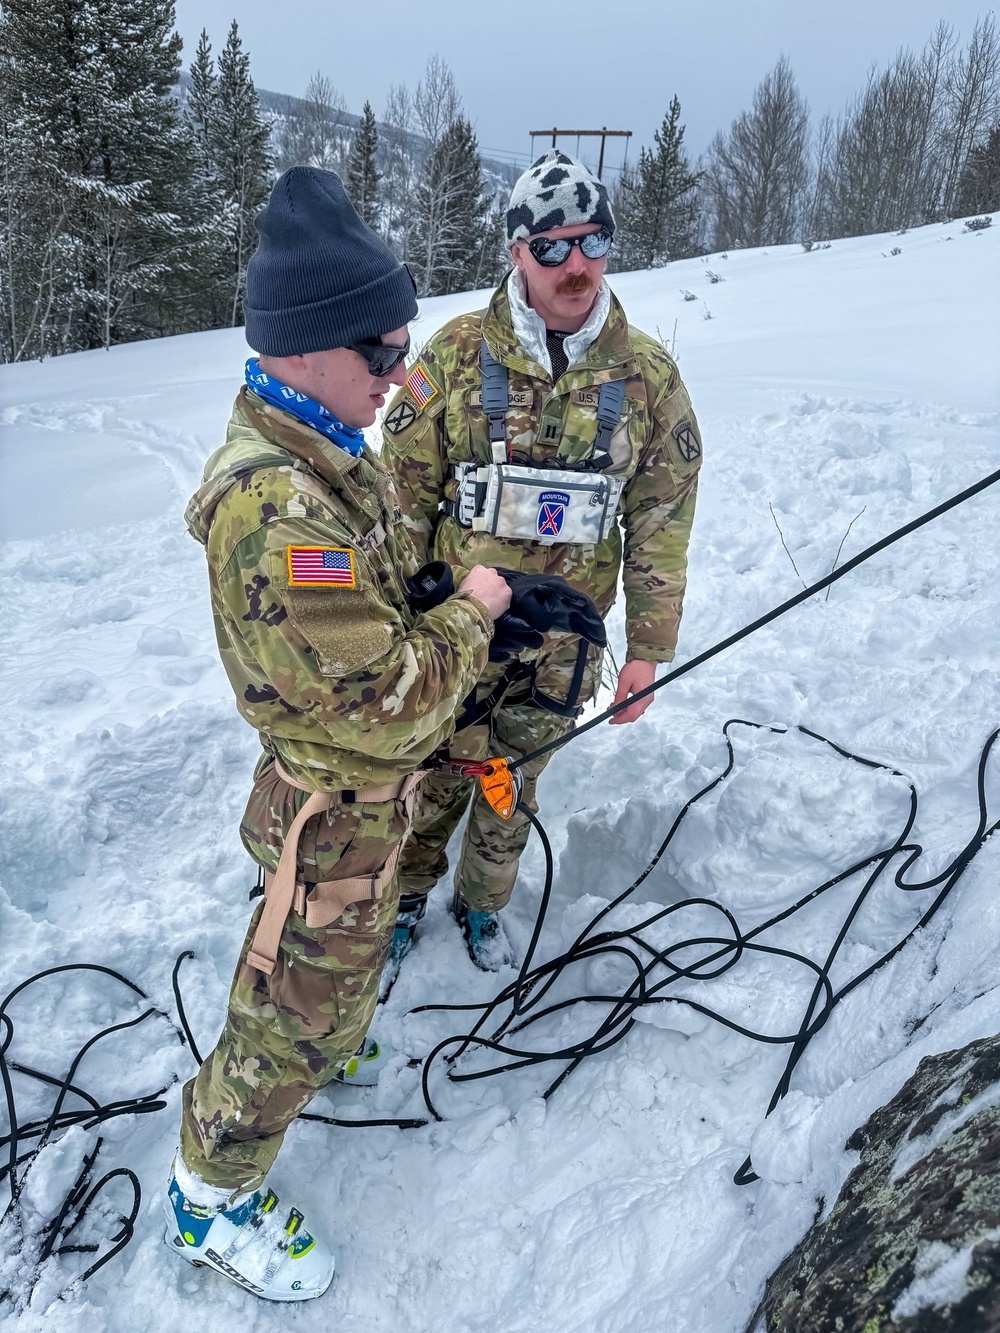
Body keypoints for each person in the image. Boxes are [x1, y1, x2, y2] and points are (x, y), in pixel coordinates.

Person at [162, 166, 512, 1302]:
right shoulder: (279, 513)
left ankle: (333, 1028)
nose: (398, 375)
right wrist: (478, 608)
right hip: (335, 817)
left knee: (324, 991)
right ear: (304, 347)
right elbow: (394, 698)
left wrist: (432, 587)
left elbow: (371, 611)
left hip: (353, 816)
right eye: (380, 352)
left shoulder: (319, 446)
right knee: (283, 1029)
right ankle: (210, 1194)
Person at [382, 150, 703, 971]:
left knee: (512, 783)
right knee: (433, 772)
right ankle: (406, 894)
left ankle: (484, 905)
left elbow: (660, 519)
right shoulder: (454, 358)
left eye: (594, 242)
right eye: (553, 246)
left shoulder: (647, 377)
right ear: (517, 251)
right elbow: (401, 502)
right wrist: (398, 624)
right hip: (457, 629)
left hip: (562, 645)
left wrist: (647, 649)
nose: (578, 265)